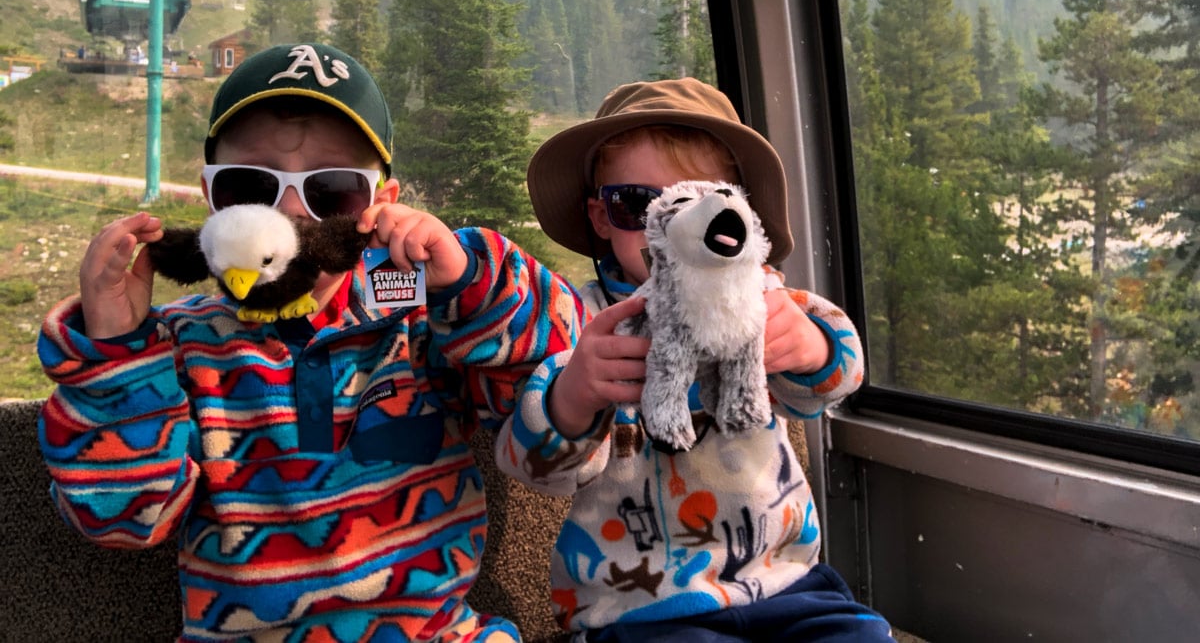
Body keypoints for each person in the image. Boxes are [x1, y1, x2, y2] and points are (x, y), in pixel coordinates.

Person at [37, 42, 584, 642]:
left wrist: (469, 278)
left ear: (381, 207)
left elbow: (551, 369)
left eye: (333, 192)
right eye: (251, 185)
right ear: (211, 198)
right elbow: (123, 517)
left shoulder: (423, 322)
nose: (292, 215)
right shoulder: (179, 348)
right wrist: (113, 349)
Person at [496, 77, 893, 642]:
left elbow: (836, 379)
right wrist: (574, 395)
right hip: (637, 609)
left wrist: (809, 346)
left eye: (701, 202)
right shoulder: (574, 321)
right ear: (601, 218)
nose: (676, 226)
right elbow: (532, 465)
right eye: (638, 204)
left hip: (785, 584)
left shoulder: (762, 295)